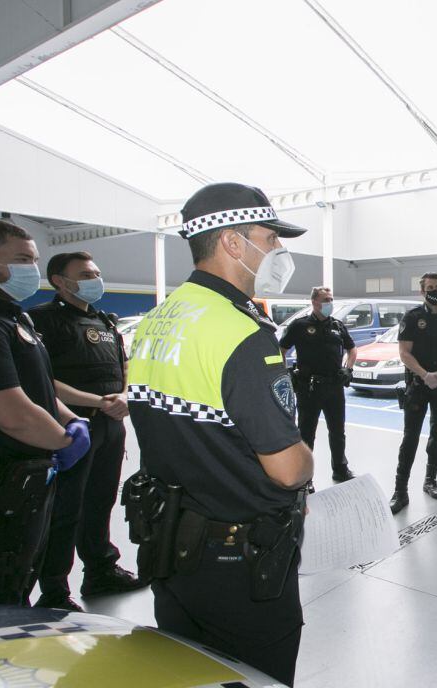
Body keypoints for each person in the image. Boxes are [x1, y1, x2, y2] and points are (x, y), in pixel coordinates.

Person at [125, 183, 313, 686]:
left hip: (171, 544)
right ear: (233, 242)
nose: (278, 251)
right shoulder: (240, 332)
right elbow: (287, 468)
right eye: (270, 238)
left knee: (189, 673)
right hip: (238, 562)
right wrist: (308, 463)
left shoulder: (158, 320)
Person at [0, 218, 90, 605]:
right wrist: (63, 441)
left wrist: (70, 420)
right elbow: (11, 411)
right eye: (21, 260)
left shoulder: (14, 316)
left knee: (16, 583)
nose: (31, 269)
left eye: (34, 260)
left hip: (24, 483)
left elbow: (39, 385)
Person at [29, 252, 144, 611]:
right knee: (65, 509)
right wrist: (97, 401)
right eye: (85, 275)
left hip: (111, 424)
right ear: (60, 281)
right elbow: (42, 380)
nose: (95, 279)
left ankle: (100, 570)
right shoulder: (43, 320)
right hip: (72, 427)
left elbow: (123, 367)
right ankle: (54, 589)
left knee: (100, 501)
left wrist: (123, 395)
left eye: (96, 272)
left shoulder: (104, 321)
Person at [389, 273, 437, 514]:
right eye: (430, 287)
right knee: (410, 437)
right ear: (422, 292)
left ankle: (430, 480)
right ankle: (400, 491)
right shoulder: (412, 317)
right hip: (417, 384)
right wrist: (425, 375)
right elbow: (404, 353)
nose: (435, 291)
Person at [279, 286, 357, 482]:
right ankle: (305, 478)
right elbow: (281, 349)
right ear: (314, 302)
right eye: (326, 300)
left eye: (331, 299)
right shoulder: (300, 325)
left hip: (334, 387)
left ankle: (340, 469)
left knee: (338, 432)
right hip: (309, 388)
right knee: (306, 434)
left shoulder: (337, 325)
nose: (330, 303)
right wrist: (284, 373)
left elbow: (352, 349)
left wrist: (348, 368)